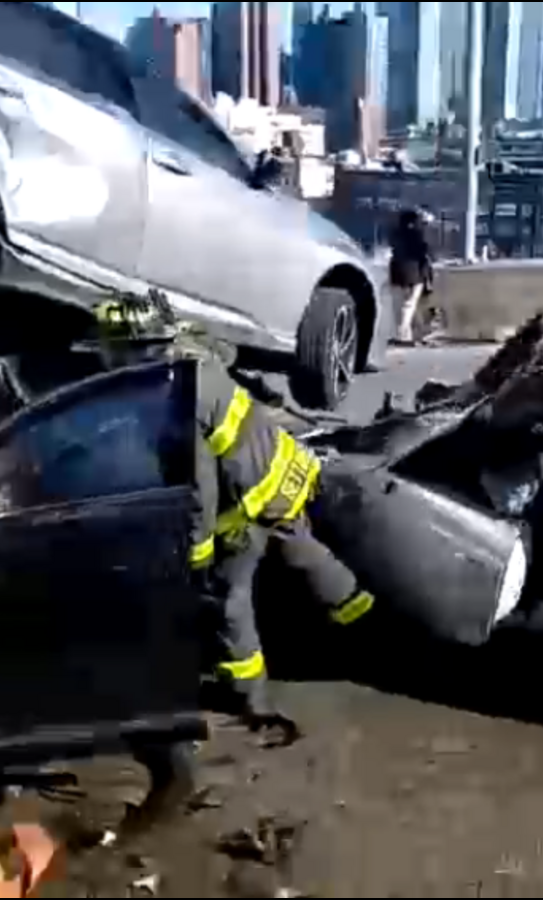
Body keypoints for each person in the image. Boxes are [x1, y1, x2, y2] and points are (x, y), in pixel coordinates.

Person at [92, 292, 377, 743]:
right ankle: (361, 619)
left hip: (248, 499)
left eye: (113, 350)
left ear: (137, 348)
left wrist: (198, 555)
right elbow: (227, 354)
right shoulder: (194, 351)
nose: (108, 360)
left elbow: (198, 492)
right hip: (281, 468)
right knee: (301, 546)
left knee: (229, 597)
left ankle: (250, 696)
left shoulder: (175, 401)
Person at [387, 208, 435, 344]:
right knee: (409, 305)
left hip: (396, 272)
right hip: (414, 274)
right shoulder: (417, 235)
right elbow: (425, 254)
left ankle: (414, 333)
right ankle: (404, 335)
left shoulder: (395, 234)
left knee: (400, 305)